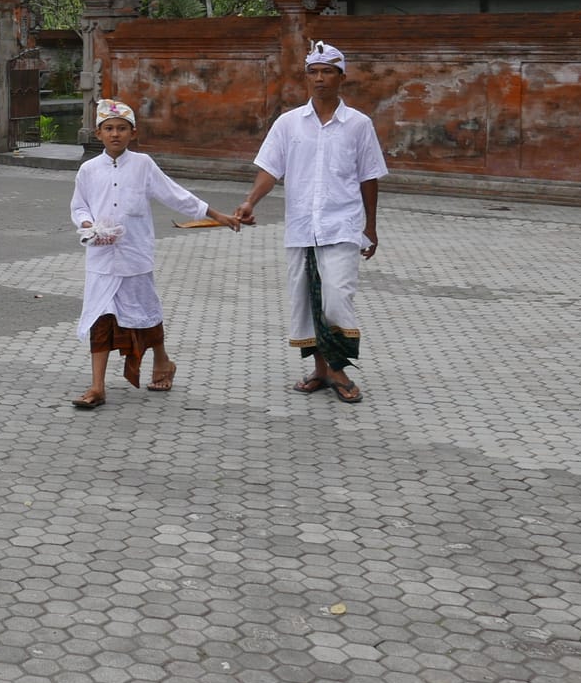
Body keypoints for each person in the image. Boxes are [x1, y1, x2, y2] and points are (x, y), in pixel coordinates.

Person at [236, 41, 387, 405]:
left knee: (336, 297)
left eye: (327, 72)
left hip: (343, 226)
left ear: (341, 77)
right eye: (313, 72)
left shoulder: (358, 125)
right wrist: (249, 201)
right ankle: (322, 370)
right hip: (302, 227)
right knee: (306, 301)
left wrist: (371, 227)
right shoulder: (289, 124)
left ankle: (337, 368)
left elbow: (369, 177)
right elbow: (270, 169)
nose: (319, 79)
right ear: (307, 77)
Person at [68, 99, 240, 409]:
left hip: (135, 255)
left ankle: (163, 362)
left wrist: (218, 216)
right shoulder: (88, 170)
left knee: (145, 315)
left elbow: (176, 195)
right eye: (109, 129)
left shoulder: (143, 164)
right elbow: (79, 205)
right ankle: (97, 386)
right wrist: (88, 224)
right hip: (101, 258)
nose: (115, 134)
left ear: (133, 133)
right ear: (98, 133)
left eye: (122, 129)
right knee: (100, 318)